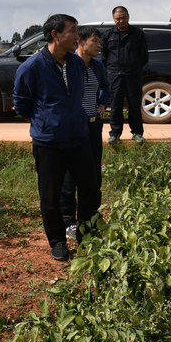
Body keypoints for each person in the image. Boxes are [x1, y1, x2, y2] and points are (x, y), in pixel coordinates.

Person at [13, 14, 100, 261]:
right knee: (50, 196)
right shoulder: (31, 67)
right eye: (72, 31)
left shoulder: (75, 63)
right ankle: (58, 241)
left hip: (79, 138)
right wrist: (46, 122)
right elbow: (21, 104)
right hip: (48, 143)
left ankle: (86, 236)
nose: (77, 37)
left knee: (89, 189)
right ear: (55, 35)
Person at [60, 26, 109, 237]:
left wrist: (102, 104)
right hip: (73, 128)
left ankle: (90, 216)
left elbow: (106, 87)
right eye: (95, 41)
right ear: (80, 42)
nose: (99, 45)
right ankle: (69, 221)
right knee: (70, 177)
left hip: (93, 126)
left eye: (99, 42)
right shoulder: (69, 66)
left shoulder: (97, 67)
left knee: (93, 174)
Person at [101, 5, 148, 144]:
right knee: (115, 105)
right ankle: (114, 134)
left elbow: (144, 56)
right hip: (114, 75)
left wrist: (136, 69)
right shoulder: (108, 35)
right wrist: (109, 71)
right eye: (118, 18)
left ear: (128, 17)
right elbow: (104, 56)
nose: (121, 21)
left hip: (132, 75)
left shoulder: (138, 34)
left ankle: (137, 133)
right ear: (113, 19)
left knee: (134, 105)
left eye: (123, 18)